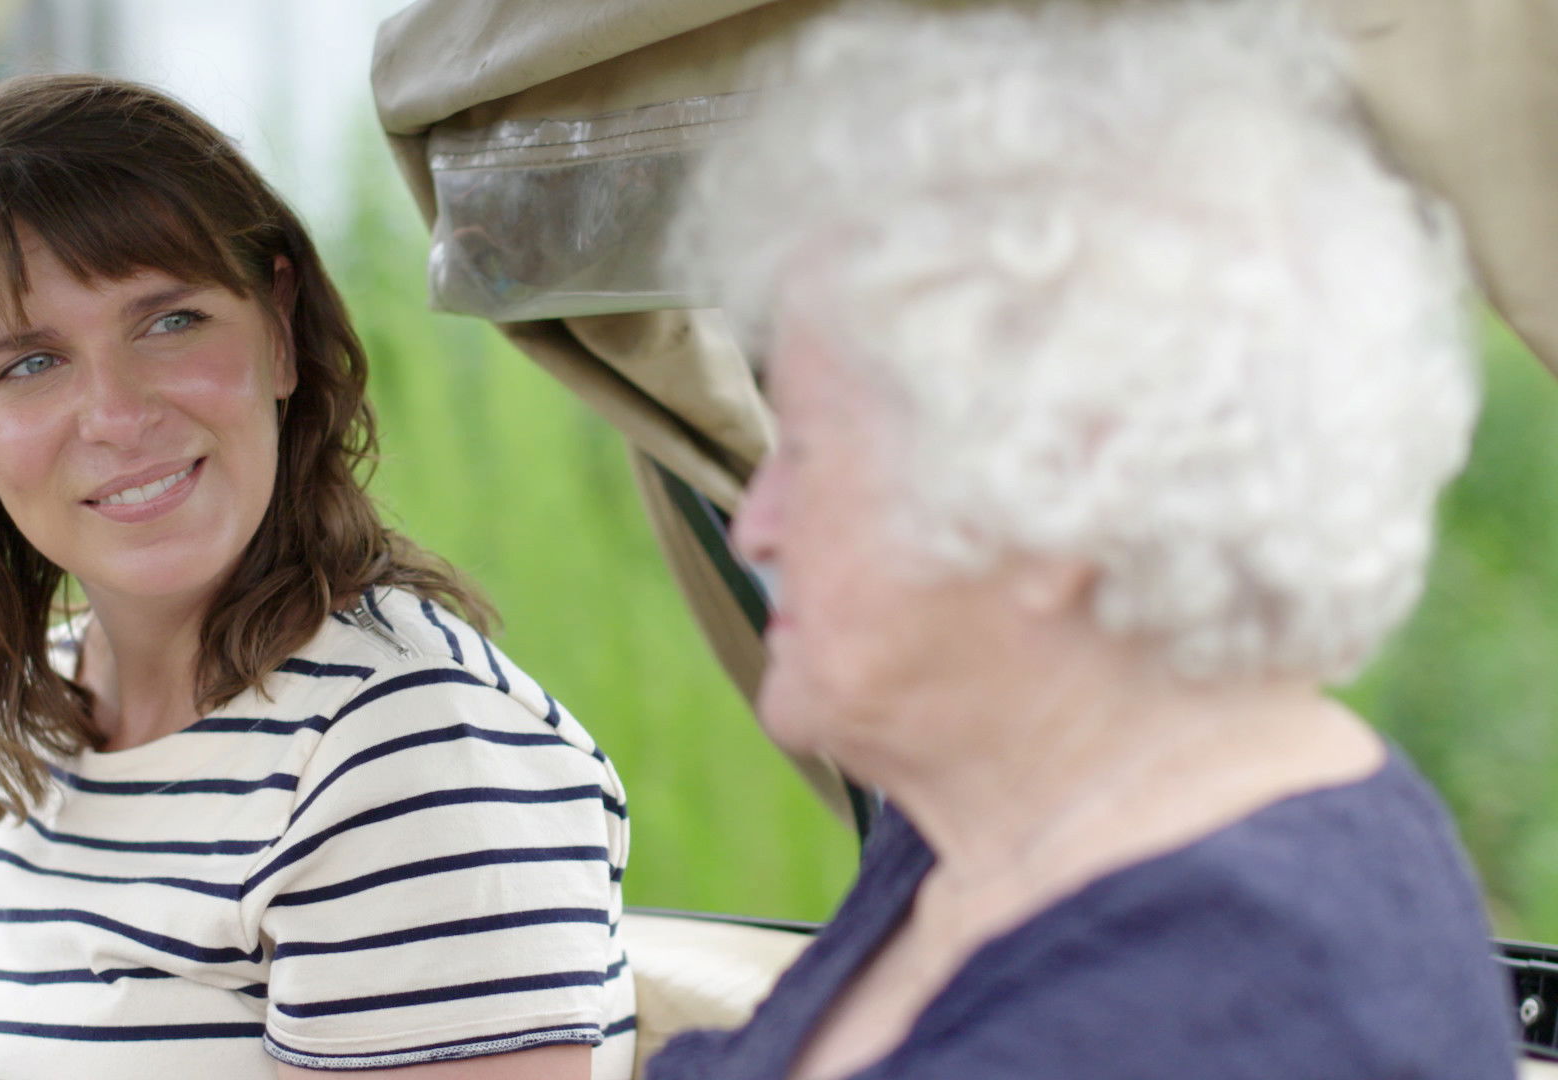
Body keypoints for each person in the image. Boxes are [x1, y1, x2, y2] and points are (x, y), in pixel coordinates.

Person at [648, 2, 1517, 1078]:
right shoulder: (987, 823)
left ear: (1065, 490)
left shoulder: (1209, 1010)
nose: (759, 519)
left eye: (813, 454)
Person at [0, 73, 632, 1080]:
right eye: (29, 363)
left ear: (279, 328)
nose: (116, 413)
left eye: (171, 322)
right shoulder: (2, 740)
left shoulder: (407, 753)